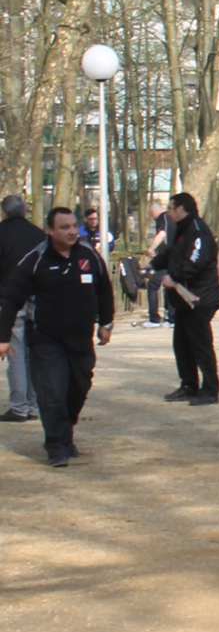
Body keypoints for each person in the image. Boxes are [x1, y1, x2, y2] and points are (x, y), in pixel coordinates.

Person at [0, 208, 113, 466]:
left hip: (81, 340)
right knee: (53, 393)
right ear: (50, 230)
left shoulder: (89, 256)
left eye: (74, 226)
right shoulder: (36, 259)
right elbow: (11, 298)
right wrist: (3, 336)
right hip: (46, 339)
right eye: (64, 227)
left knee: (78, 389)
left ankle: (64, 434)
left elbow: (104, 290)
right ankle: (56, 448)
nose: (72, 231)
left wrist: (106, 323)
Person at [153, 193, 219, 406]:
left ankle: (210, 389)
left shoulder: (198, 231)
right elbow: (173, 253)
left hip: (199, 298)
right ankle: (189, 385)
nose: (169, 212)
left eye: (171, 208)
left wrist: (173, 277)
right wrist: (153, 264)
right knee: (181, 345)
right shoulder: (181, 230)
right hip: (183, 301)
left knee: (201, 345)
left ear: (181, 208)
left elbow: (195, 262)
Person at [0, 195, 45, 423]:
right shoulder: (39, 235)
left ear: (3, 213)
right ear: (25, 211)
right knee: (33, 354)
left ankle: (19, 407)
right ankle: (34, 405)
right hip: (37, 298)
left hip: (11, 299)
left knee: (15, 352)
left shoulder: (2, 234)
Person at [143, 201, 171, 326]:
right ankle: (171, 316)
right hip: (174, 256)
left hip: (164, 258)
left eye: (151, 213)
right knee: (170, 285)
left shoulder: (162, 218)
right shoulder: (172, 219)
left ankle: (154, 318)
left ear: (154, 211)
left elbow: (162, 234)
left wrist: (151, 249)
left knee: (153, 286)